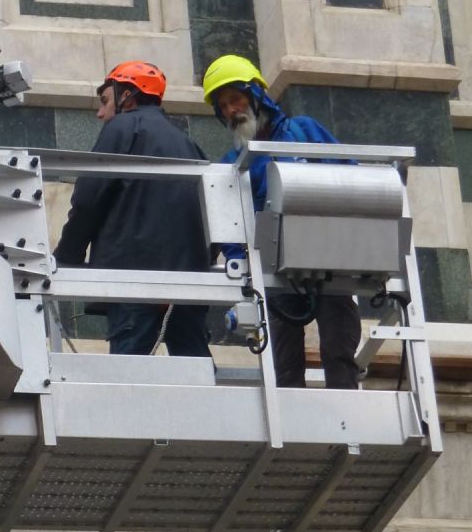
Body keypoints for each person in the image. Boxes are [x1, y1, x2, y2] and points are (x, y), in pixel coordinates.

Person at [201, 54, 360, 390]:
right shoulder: (233, 164)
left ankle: (347, 422)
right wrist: (238, 263)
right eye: (223, 106)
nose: (231, 111)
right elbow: (230, 229)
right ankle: (295, 434)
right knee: (284, 364)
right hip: (273, 268)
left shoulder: (304, 130)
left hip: (327, 254)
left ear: (256, 95)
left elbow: (350, 176)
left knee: (339, 345)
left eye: (235, 99)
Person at [53, 61, 212, 357]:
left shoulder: (122, 127)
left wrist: (66, 258)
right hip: (188, 287)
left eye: (105, 101)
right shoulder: (189, 145)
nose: (101, 113)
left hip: (133, 282)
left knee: (130, 381)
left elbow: (89, 198)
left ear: (127, 95)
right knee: (196, 377)